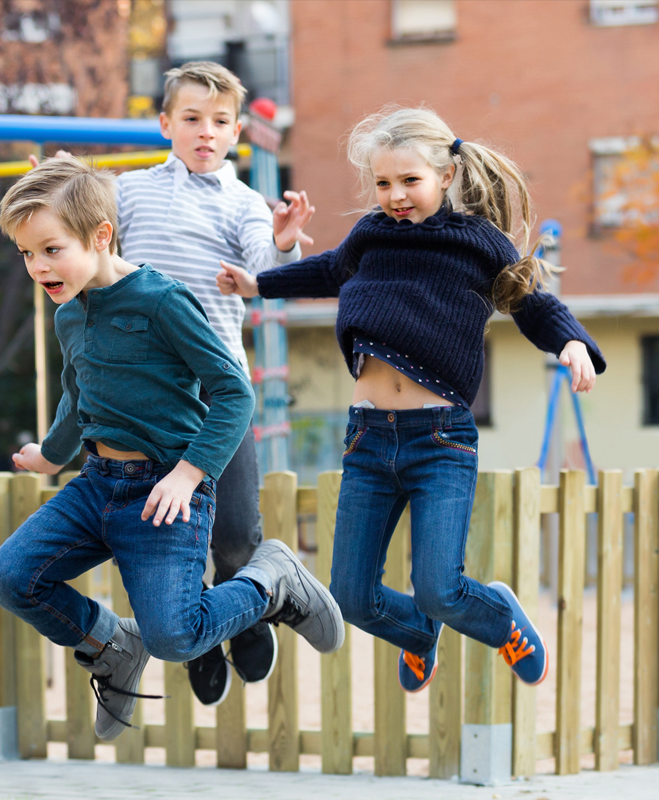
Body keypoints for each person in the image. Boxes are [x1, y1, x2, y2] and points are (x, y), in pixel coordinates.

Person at [217, 106, 606, 693]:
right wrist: (258, 284)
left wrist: (572, 342)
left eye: (409, 181)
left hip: (440, 439)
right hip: (368, 439)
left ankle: (499, 620)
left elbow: (531, 300)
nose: (395, 195)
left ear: (446, 176)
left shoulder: (479, 243)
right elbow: (328, 272)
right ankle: (421, 635)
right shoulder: (371, 235)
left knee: (439, 587)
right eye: (382, 184)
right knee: (349, 596)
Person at [0, 157, 343, 743]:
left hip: (163, 493)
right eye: (26, 254)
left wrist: (188, 473)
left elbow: (233, 393)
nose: (37, 266)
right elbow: (78, 396)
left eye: (51, 249)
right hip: (98, 484)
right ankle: (111, 643)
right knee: (8, 577)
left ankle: (272, 580)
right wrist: (52, 455)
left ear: (101, 236)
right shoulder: (70, 314)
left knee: (174, 637)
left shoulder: (161, 301)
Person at [37, 61, 316, 706]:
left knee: (237, 534)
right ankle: (195, 637)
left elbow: (260, 256)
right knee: (167, 537)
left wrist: (281, 244)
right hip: (144, 394)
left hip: (217, 394)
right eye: (191, 118)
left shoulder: (244, 203)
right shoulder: (131, 192)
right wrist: (53, 178)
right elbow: (81, 222)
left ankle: (242, 606)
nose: (204, 132)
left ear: (236, 132)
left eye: (219, 122)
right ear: (166, 123)